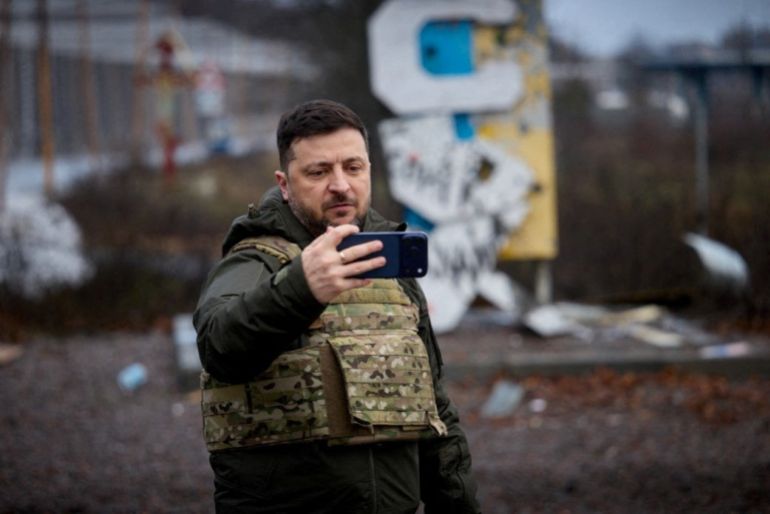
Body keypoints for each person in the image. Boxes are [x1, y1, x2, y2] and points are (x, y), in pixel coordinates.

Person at [194, 99, 480, 514]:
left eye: (353, 167)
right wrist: (301, 287)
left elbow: (436, 413)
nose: (341, 185)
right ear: (285, 183)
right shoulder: (255, 259)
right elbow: (218, 345)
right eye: (318, 171)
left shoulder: (390, 267)